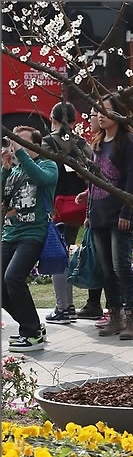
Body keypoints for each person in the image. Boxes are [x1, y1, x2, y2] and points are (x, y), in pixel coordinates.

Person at [87, 93, 133, 340]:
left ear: (118, 114)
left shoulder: (127, 141)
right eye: (98, 110)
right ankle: (115, 315)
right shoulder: (99, 142)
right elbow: (94, 178)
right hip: (98, 213)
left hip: (119, 215)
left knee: (122, 266)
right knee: (106, 269)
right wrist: (87, 207)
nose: (100, 114)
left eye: (105, 110)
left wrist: (127, 211)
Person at [2, 126, 58, 352]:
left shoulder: (49, 165)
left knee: (13, 277)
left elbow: (41, 179)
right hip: (10, 233)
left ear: (35, 145)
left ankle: (31, 332)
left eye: (21, 142)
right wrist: (5, 170)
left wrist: (22, 154)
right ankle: (32, 325)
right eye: (14, 141)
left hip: (33, 233)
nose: (16, 146)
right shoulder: (14, 170)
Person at [42, 102, 93, 325]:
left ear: (52, 119)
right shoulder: (83, 144)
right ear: (74, 122)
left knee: (57, 254)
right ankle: (85, 304)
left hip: (58, 205)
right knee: (75, 252)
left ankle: (64, 307)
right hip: (80, 205)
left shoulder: (47, 143)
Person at [76, 107, 106, 323]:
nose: (92, 117)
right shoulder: (96, 145)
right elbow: (98, 183)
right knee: (96, 259)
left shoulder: (121, 145)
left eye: (93, 114)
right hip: (96, 212)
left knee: (113, 265)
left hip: (112, 215)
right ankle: (94, 303)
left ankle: (119, 310)